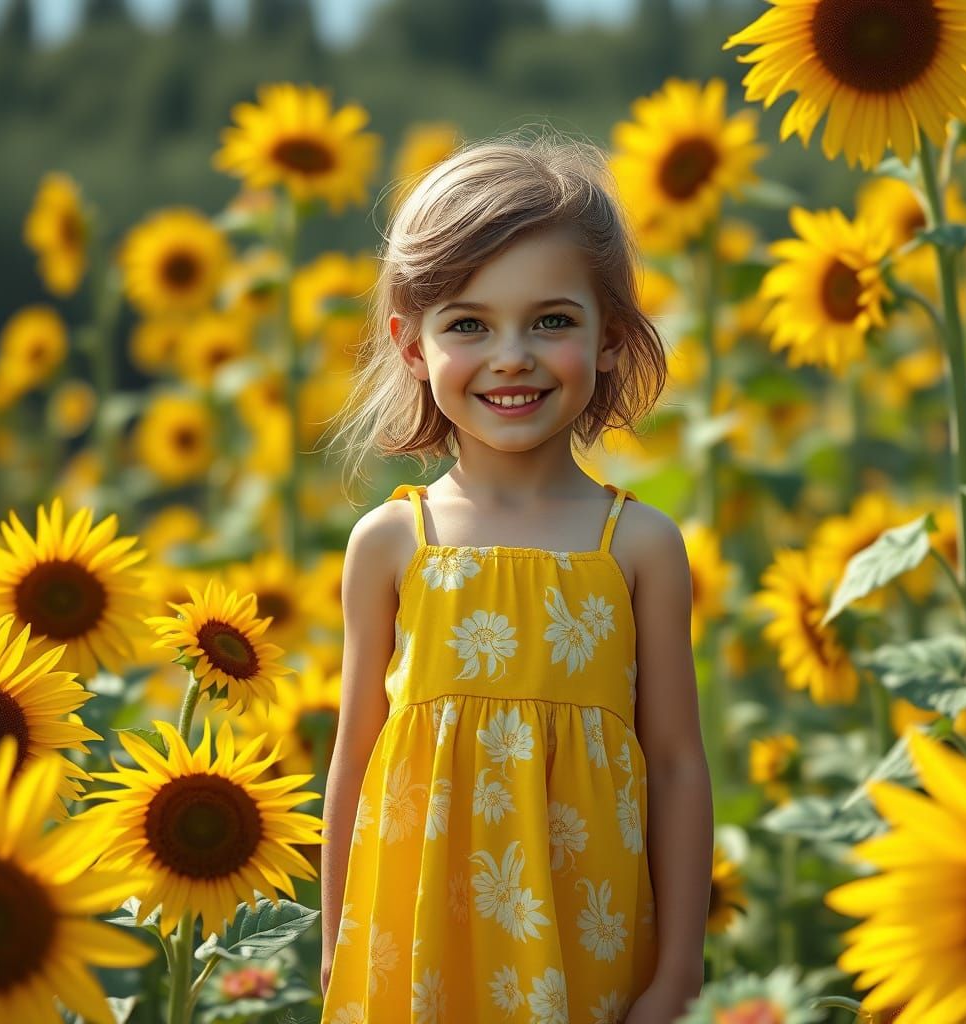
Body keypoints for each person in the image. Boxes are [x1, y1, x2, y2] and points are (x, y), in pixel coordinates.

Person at [318, 130, 714, 1024]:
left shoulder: (638, 546)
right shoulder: (389, 543)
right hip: (414, 948)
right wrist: (336, 944)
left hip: (591, 941)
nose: (511, 355)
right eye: (468, 324)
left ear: (610, 339)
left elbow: (679, 765)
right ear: (411, 346)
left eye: (551, 320)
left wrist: (679, 972)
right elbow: (356, 758)